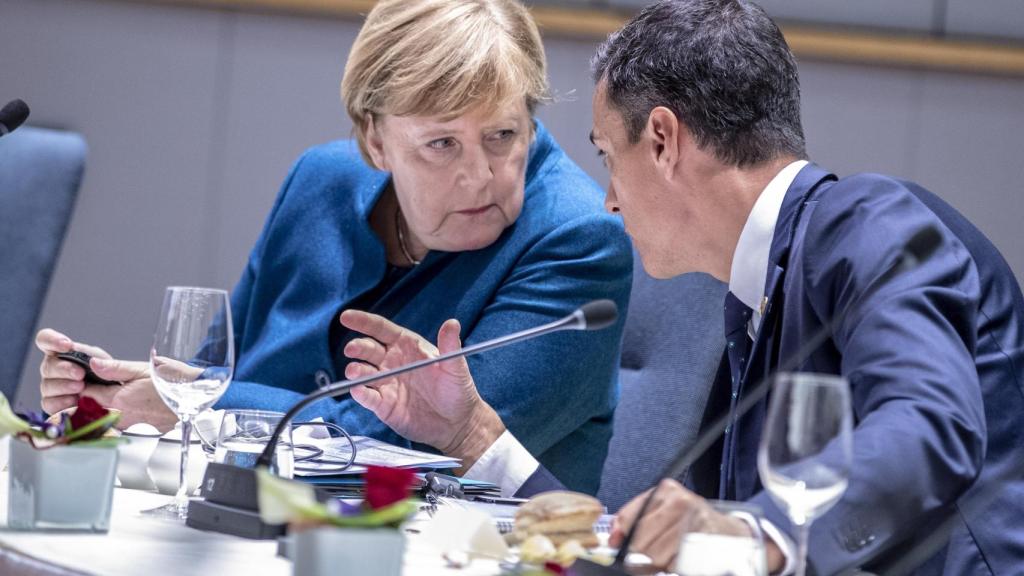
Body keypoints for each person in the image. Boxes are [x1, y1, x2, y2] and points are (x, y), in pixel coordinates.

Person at [329, 1, 1024, 573]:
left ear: (662, 140)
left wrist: (753, 533)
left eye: (607, 157)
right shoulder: (752, 294)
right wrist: (474, 434)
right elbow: (649, 552)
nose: (607, 201)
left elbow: (931, 425)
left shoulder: (875, 227)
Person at [33, 0, 632, 494]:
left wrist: (196, 408)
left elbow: (415, 447)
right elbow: (218, 367)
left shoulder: (577, 241)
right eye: (441, 144)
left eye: (503, 134)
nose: (479, 175)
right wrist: (141, 395)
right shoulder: (321, 181)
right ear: (375, 139)